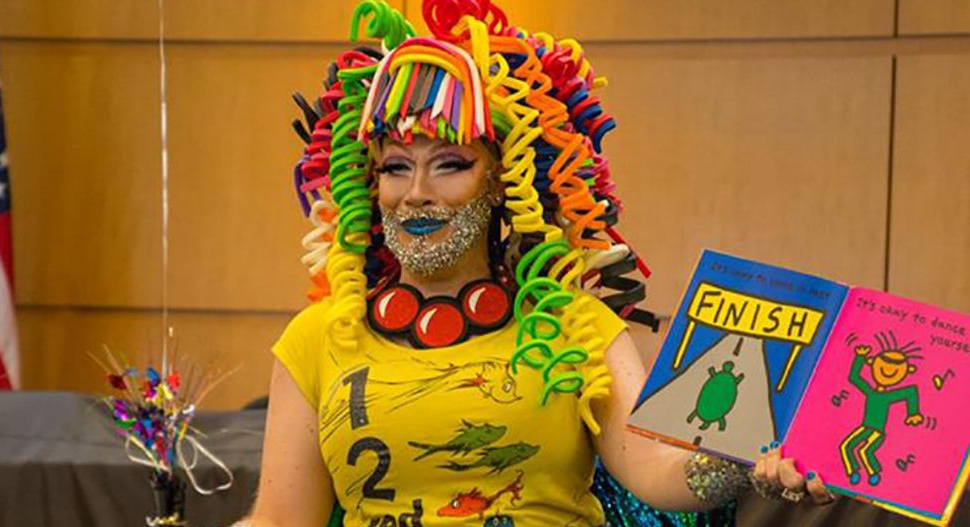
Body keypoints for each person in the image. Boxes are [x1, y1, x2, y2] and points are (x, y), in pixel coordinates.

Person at [238, 1, 835, 525]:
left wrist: (746, 460)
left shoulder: (578, 325)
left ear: (502, 179)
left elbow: (657, 469)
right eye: (396, 166)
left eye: (449, 164)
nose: (416, 191)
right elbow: (281, 518)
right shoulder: (316, 338)